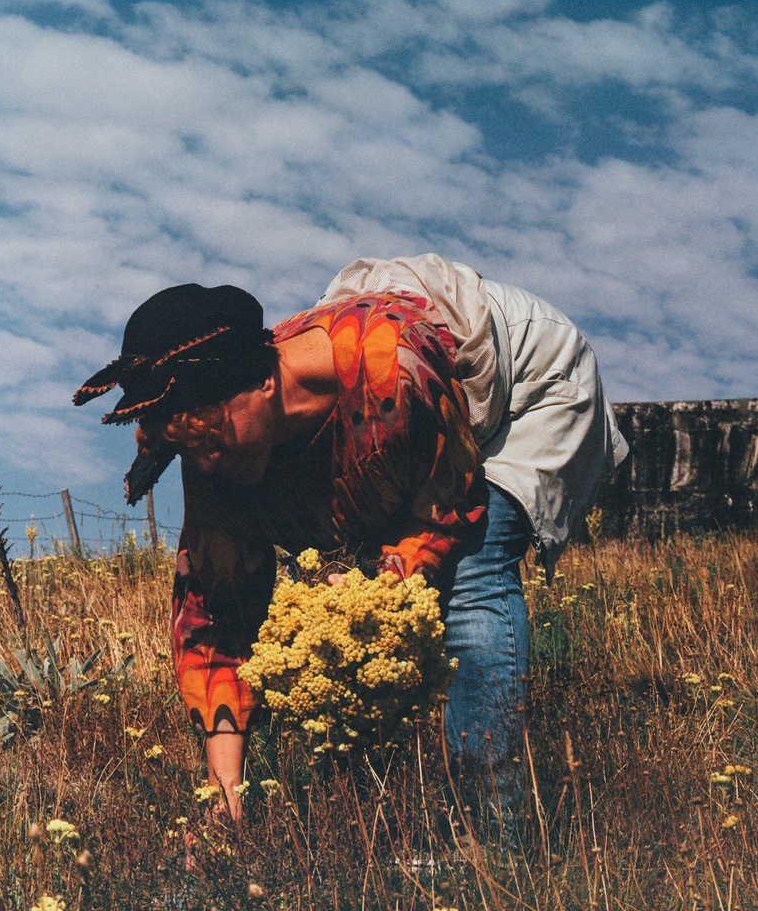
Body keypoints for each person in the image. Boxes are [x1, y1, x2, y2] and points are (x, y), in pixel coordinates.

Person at [75, 254, 627, 820]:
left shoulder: (385, 365)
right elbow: (216, 622)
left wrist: (388, 581)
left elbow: (446, 508)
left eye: (215, 437)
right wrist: (225, 797)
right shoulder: (212, 456)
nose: (206, 462)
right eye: (189, 449)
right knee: (351, 605)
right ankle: (378, 807)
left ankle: (492, 824)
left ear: (265, 382)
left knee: (471, 566)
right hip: (413, 427)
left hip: (526, 387)